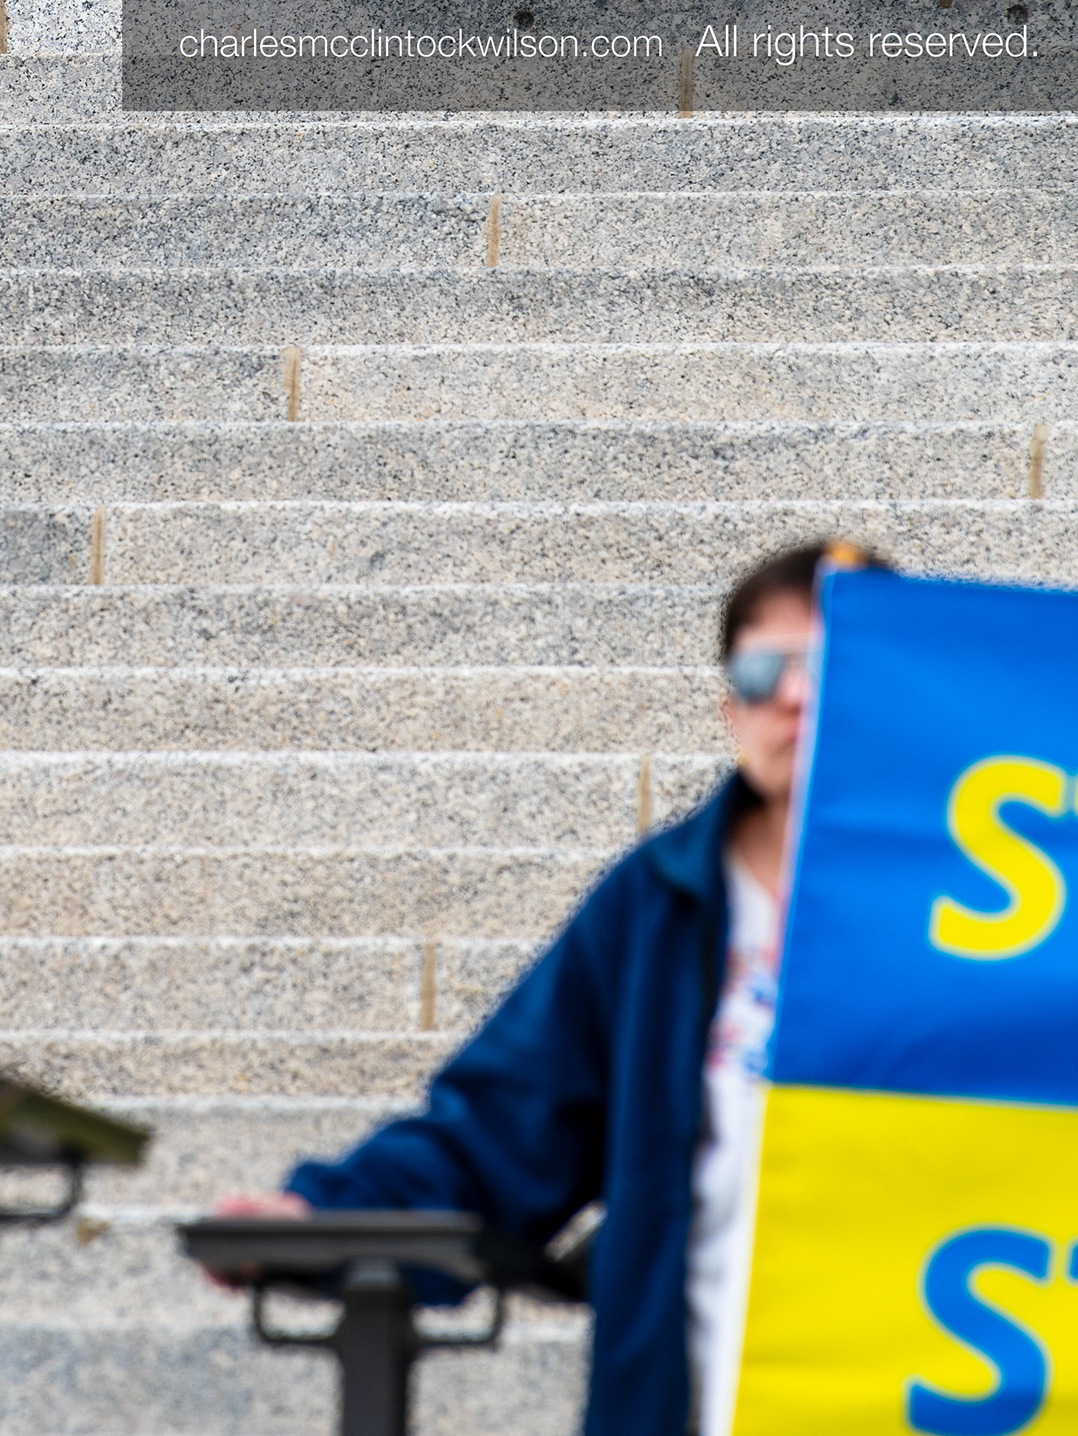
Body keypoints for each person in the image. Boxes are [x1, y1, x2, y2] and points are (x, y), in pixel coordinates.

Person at [211, 538, 890, 1436]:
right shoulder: (660, 905)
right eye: (765, 667)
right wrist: (322, 1218)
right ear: (730, 706)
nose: (797, 696)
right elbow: (503, 1125)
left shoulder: (996, 909)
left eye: (834, 660)